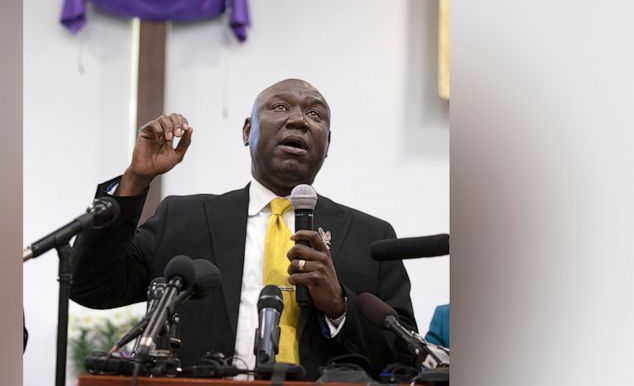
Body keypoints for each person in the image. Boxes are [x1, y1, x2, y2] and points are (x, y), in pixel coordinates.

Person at [69, 78, 417, 379]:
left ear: (327, 145)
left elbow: (405, 357)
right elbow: (92, 287)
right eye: (280, 107)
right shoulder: (183, 218)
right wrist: (135, 178)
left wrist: (340, 307)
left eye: (315, 114)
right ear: (247, 130)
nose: (298, 120)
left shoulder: (371, 238)